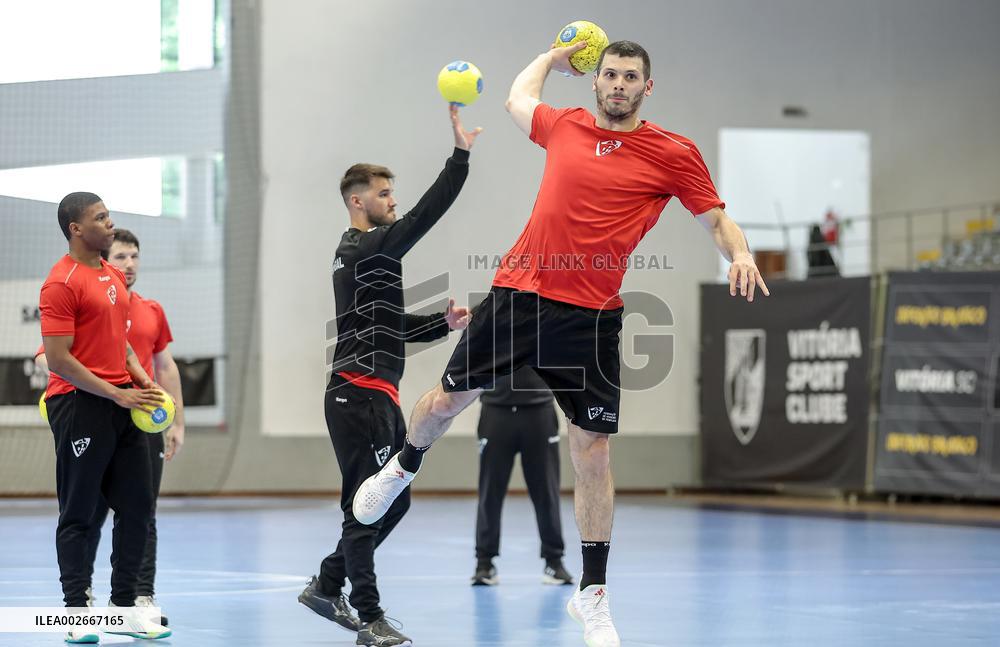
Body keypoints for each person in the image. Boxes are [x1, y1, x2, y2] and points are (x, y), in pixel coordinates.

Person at [353, 41, 770, 647]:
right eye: (610, 74)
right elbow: (516, 98)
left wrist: (742, 254)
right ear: (594, 81)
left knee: (592, 449)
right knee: (445, 402)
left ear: (646, 88)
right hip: (519, 293)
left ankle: (592, 594)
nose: (619, 84)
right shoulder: (565, 125)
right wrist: (551, 58)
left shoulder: (673, 152)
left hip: (591, 317)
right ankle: (404, 465)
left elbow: (716, 219)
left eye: (631, 77)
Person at [297, 105, 480, 647]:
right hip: (357, 395)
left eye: (392, 194)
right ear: (358, 201)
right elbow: (425, 215)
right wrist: (460, 158)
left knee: (393, 499)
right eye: (384, 194)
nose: (393, 202)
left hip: (374, 395)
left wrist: (441, 324)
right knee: (367, 503)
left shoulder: (365, 257)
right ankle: (370, 617)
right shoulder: (363, 247)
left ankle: (327, 584)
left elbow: (389, 326)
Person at [37, 227, 186, 627]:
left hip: (136, 412)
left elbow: (157, 362)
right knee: (84, 511)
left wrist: (170, 412)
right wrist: (103, 391)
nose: (129, 263)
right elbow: (51, 356)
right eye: (122, 256)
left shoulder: (145, 306)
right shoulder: (69, 285)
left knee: (140, 510)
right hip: (89, 407)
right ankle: (78, 606)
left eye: (134, 256)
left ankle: (132, 601)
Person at [472, 366, 573, 587]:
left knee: (547, 491)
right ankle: (484, 563)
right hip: (495, 410)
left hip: (539, 411)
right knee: (490, 492)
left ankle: (554, 561)